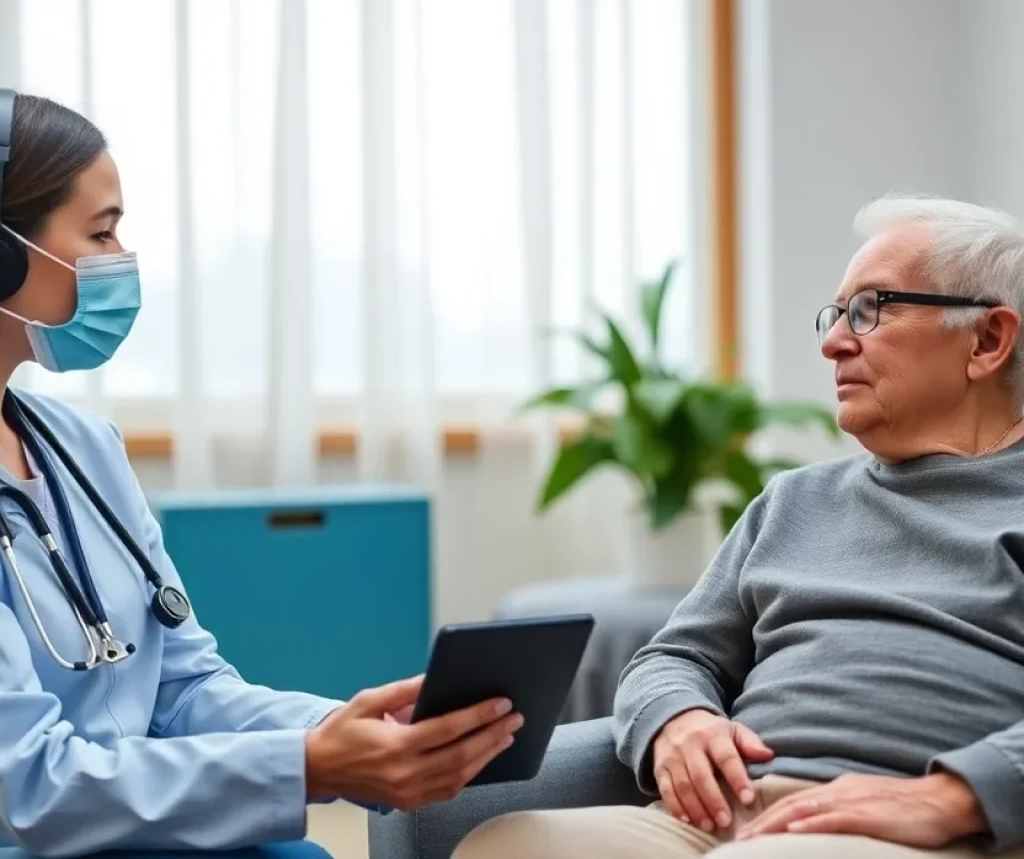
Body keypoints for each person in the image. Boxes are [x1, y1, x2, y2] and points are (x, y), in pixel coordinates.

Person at [0, 90, 524, 859]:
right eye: (102, 231)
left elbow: (182, 688)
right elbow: (25, 787)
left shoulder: (83, 448)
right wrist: (304, 767)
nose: (122, 262)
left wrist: (344, 733)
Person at [453, 192, 1024, 859]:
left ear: (987, 340)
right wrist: (679, 718)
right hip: (717, 817)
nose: (833, 342)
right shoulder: (793, 501)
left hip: (921, 826)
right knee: (506, 845)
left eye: (871, 309)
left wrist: (955, 797)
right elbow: (675, 656)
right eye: (837, 315)